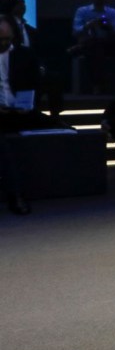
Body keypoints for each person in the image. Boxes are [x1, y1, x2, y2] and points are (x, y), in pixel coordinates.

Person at [0, 14, 67, 215]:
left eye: (7, 39)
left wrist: (27, 105)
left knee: (64, 130)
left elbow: (34, 85)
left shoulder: (25, 55)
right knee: (3, 147)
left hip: (21, 110)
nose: (3, 43)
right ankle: (16, 195)